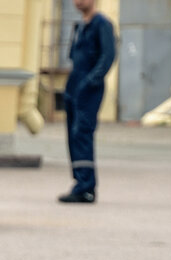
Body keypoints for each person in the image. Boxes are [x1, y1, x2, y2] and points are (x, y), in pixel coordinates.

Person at [60, 0, 116, 203]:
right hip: (73, 85)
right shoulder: (80, 26)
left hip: (89, 89)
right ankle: (79, 182)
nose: (77, 1)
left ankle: (86, 187)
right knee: (72, 136)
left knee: (82, 133)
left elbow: (108, 56)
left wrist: (91, 81)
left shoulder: (102, 24)